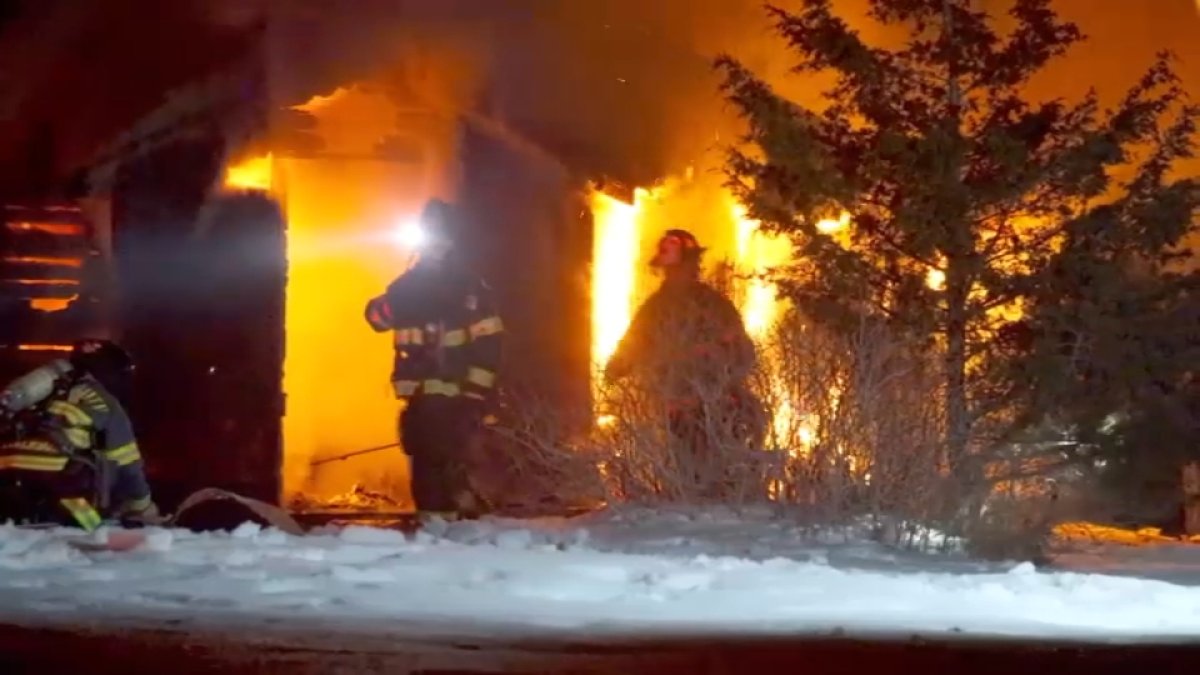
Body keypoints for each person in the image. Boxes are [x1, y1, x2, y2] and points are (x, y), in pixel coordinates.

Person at [364, 198, 505, 520]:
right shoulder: (408, 285)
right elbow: (376, 319)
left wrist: (475, 393)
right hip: (420, 395)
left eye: (439, 238)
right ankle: (437, 530)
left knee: (444, 462)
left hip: (455, 394)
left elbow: (490, 343)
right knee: (425, 460)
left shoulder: (469, 288)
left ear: (452, 241)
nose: (433, 246)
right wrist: (387, 303)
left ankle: (449, 528)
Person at [605, 229, 766, 498]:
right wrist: (617, 367)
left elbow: (742, 351)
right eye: (669, 270)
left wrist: (722, 378)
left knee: (716, 467)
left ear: (693, 266)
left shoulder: (714, 305)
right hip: (678, 406)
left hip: (717, 404)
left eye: (678, 268)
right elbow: (634, 343)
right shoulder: (657, 307)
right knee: (688, 468)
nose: (673, 275)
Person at [0, 339, 161, 530]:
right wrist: (143, 507)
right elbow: (128, 466)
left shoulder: (49, 390)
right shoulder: (107, 404)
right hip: (57, 478)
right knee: (92, 530)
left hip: (6, 468)